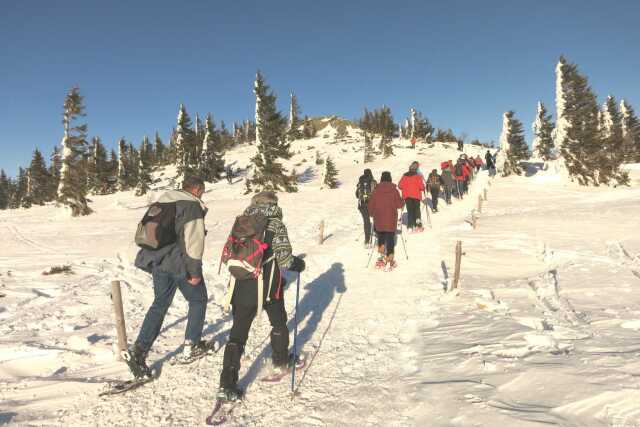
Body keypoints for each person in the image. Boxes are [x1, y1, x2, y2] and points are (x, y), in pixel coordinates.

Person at [217, 191, 305, 401]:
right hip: (267, 287)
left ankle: (227, 384)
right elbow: (284, 260)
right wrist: (298, 264)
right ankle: (281, 361)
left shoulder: (241, 221)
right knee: (278, 322)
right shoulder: (275, 224)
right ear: (274, 204)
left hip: (239, 286)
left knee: (237, 335)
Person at [127, 176, 209, 378]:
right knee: (198, 299)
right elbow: (193, 243)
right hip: (178, 262)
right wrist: (194, 272)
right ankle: (192, 344)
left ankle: (139, 350)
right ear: (197, 190)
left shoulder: (162, 202)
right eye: (202, 192)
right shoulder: (191, 206)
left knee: (160, 303)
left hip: (157, 261)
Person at [367, 172, 404, 271]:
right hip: (391, 219)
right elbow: (399, 204)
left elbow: (371, 204)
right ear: (390, 179)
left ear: (381, 179)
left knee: (381, 236)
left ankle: (381, 257)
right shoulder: (394, 191)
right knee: (390, 238)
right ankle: (390, 258)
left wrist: (371, 213)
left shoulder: (376, 191)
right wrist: (402, 201)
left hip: (378, 219)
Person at [398, 161, 425, 232]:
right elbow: (422, 187)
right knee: (417, 209)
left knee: (410, 211)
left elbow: (400, 185)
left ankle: (410, 226)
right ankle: (418, 224)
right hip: (416, 196)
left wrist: (405, 188)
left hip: (407, 196)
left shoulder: (404, 175)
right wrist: (423, 188)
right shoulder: (418, 176)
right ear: (415, 169)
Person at [355, 169, 377, 248]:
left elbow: (357, 195)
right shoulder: (373, 181)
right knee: (375, 218)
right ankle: (377, 234)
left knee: (366, 221)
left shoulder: (360, 182)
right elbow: (377, 193)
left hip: (362, 204)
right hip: (371, 203)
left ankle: (367, 240)